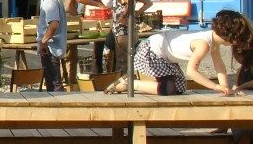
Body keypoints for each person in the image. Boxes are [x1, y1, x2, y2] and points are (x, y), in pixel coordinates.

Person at [106, 10, 253, 95]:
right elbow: (192, 72)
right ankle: (131, 83)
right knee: (168, 89)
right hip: (152, 51)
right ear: (229, 37)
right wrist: (215, 87)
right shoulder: (204, 44)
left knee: (180, 87)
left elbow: (219, 66)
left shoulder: (212, 41)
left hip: (164, 54)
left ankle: (132, 82)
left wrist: (225, 88)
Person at [104, 0, 152, 72]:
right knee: (130, 60)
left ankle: (125, 86)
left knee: (123, 63)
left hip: (122, 32)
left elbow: (130, 2)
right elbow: (148, 2)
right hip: (131, 32)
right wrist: (135, 14)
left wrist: (125, 16)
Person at [34, 0, 67, 91]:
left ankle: (59, 108)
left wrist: (43, 43)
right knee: (52, 83)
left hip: (50, 47)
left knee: (54, 84)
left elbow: (53, 24)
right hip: (49, 46)